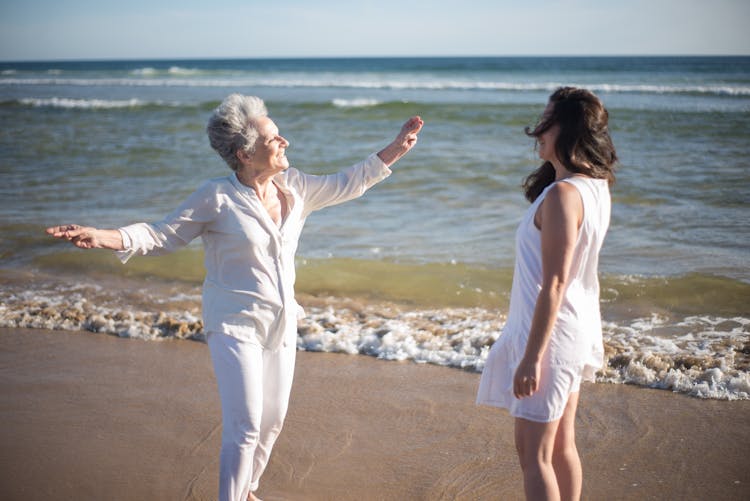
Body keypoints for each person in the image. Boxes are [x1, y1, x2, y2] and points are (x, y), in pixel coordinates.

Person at [47, 94, 423, 501]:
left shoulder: (295, 189)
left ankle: (246, 491)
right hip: (234, 323)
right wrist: (103, 236)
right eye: (274, 138)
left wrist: (396, 149)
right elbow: (161, 234)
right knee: (245, 425)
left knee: (272, 422)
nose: (285, 143)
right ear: (245, 153)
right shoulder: (216, 197)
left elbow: (348, 182)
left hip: (280, 323)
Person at [476, 87, 617, 500]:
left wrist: (532, 358)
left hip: (550, 339)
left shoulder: (563, 195)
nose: (538, 129)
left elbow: (555, 282)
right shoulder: (594, 186)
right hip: (572, 329)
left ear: (568, 129)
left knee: (534, 454)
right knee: (560, 447)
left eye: (547, 120)